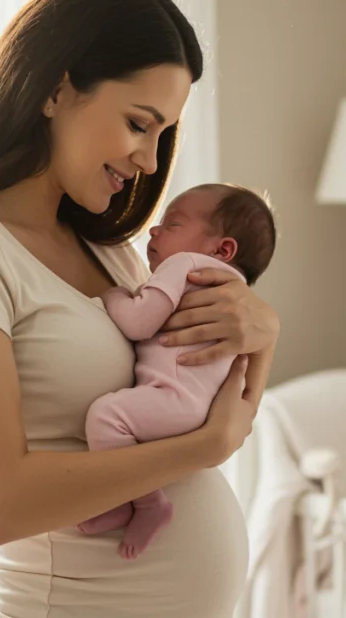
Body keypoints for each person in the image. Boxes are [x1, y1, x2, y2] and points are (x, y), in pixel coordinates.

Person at [0, 0, 280, 617]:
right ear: (57, 90)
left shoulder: (114, 253)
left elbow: (193, 388)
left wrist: (261, 331)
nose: (151, 160)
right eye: (138, 124)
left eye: (163, 134)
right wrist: (202, 452)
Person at [78, 183, 277, 561]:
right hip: (198, 410)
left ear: (222, 249)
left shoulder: (186, 266)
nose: (154, 230)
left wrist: (114, 296)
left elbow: (138, 323)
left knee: (107, 415)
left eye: (172, 224)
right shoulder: (237, 294)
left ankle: (143, 502)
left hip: (175, 401)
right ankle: (137, 501)